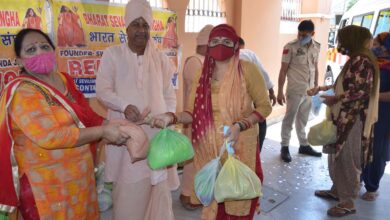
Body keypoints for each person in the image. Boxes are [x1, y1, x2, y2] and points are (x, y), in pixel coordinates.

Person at [0, 28, 129, 219]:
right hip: (45, 186)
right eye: (31, 50)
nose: (40, 52)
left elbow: (84, 114)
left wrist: (114, 124)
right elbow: (51, 136)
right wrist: (103, 131)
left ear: (53, 51)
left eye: (44, 46)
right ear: (19, 61)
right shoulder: (22, 92)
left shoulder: (63, 79)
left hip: (79, 178)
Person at [152, 24, 272, 220]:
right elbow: (191, 113)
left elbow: (264, 107)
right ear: (208, 46)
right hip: (210, 150)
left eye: (226, 41)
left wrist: (240, 125)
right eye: (215, 41)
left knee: (238, 198)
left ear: (235, 46)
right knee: (216, 203)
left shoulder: (247, 70)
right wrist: (171, 117)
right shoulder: (203, 74)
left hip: (240, 147)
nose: (220, 45)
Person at [95, 0, 178, 219]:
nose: (141, 30)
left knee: (159, 197)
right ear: (127, 27)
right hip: (125, 140)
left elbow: (170, 94)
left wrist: (169, 115)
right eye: (136, 24)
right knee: (128, 199)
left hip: (157, 139)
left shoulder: (161, 59)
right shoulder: (112, 55)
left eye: (145, 25)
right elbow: (102, 90)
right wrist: (124, 106)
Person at [309, 25, 379, 217]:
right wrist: (323, 88)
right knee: (336, 155)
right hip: (344, 117)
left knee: (348, 159)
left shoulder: (362, 61)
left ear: (351, 40)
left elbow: (361, 92)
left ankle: (348, 202)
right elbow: (347, 84)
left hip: (353, 120)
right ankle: (337, 190)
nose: (339, 44)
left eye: (341, 39)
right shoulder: (356, 60)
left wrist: (336, 99)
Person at [277, 20, 322, 163]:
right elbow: (283, 70)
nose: (301, 37)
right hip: (295, 90)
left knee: (303, 119)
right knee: (289, 119)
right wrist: (279, 91)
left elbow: (315, 67)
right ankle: (284, 146)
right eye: (299, 34)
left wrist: (316, 85)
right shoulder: (290, 47)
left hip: (309, 91)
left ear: (312, 34)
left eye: (304, 35)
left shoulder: (316, 47)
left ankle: (303, 145)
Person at [180, 24, 213, 210]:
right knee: (192, 160)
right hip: (193, 120)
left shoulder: (207, 62)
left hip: (206, 121)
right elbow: (203, 90)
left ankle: (198, 195)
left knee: (203, 160)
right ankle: (187, 196)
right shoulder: (195, 61)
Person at [361, 32, 390, 201]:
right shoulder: (372, 63)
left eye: (377, 44)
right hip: (366, 111)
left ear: (386, 47)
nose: (374, 47)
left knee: (377, 150)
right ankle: (358, 178)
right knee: (362, 145)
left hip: (384, 116)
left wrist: (373, 95)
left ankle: (372, 186)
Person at [239, 37, 276, 152]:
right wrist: (271, 92)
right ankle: (257, 150)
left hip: (244, 95)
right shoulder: (248, 54)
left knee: (247, 121)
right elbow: (263, 74)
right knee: (259, 119)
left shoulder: (227, 57)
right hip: (252, 94)